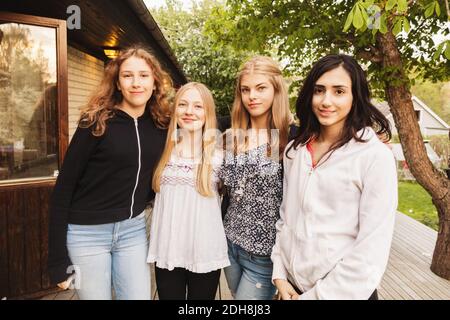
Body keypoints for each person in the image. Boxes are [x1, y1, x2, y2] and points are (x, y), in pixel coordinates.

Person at [47, 45, 173, 300]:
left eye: (144, 75)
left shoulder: (161, 124)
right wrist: (57, 260)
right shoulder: (95, 121)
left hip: (133, 231)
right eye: (128, 75)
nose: (136, 83)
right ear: (117, 82)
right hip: (86, 234)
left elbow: (205, 122)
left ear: (155, 82)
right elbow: (64, 188)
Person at [271, 54, 397, 300]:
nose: (326, 101)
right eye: (319, 90)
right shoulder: (295, 151)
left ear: (355, 96)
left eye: (339, 91)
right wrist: (279, 275)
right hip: (291, 289)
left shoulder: (374, 157)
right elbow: (286, 218)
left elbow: (370, 251)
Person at [148, 82, 229, 300]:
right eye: (183, 104)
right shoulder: (161, 150)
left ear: (208, 112)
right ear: (175, 110)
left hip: (204, 251)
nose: (189, 111)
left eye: (198, 106)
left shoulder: (220, 155)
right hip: (168, 250)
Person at [220, 56, 291, 300]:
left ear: (276, 90)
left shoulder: (289, 138)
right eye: (246, 89)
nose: (252, 96)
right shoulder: (232, 136)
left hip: (263, 255)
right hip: (229, 244)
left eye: (261, 88)